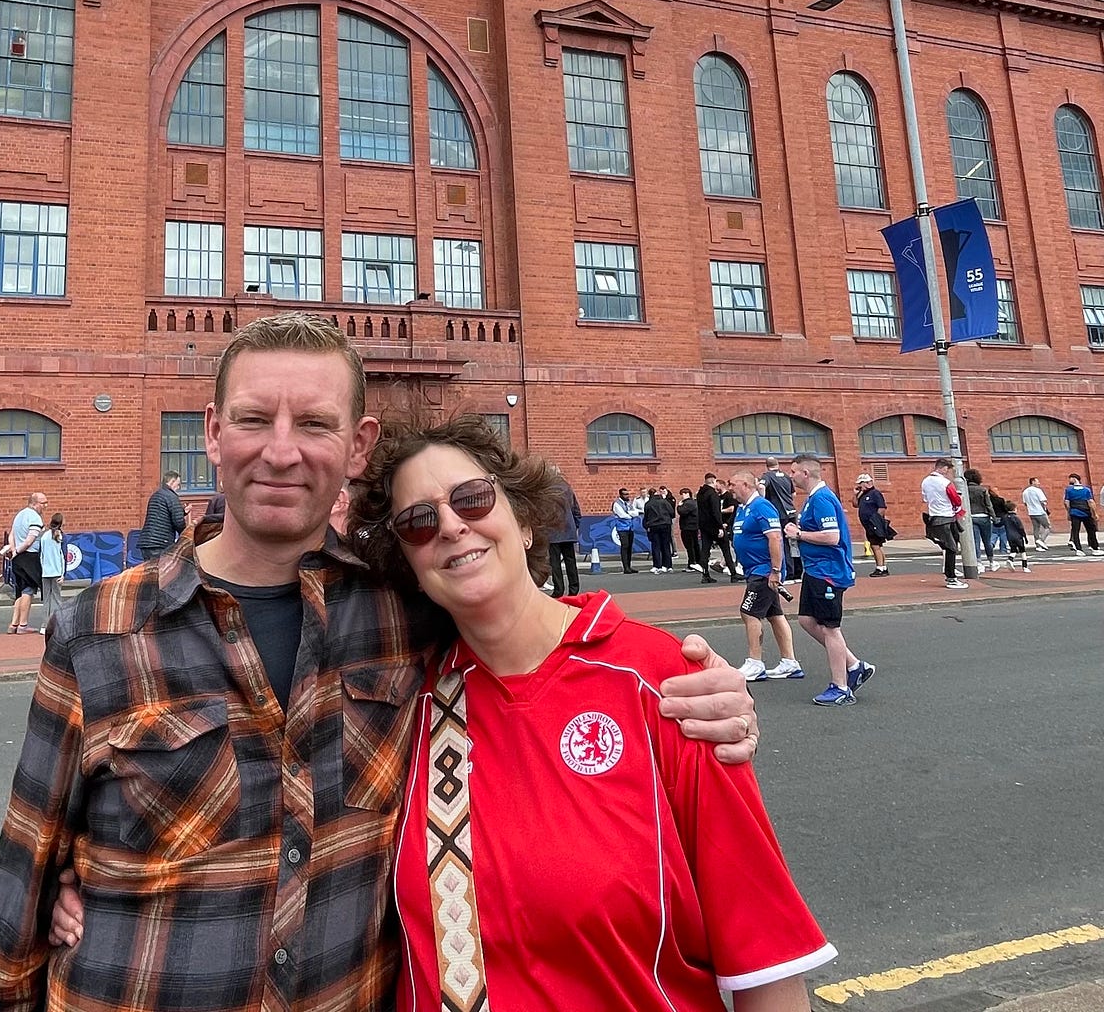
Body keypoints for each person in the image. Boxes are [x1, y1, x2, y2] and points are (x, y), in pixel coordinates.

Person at [0, 313, 759, 1012]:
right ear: (212, 432)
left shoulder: (403, 614)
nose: (281, 451)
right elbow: (23, 880)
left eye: (314, 423)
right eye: (253, 419)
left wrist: (695, 687)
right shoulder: (96, 629)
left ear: (357, 445)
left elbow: (532, 648)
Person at [346, 415, 834, 1011]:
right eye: (418, 522)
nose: (449, 525)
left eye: (472, 500)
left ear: (524, 521)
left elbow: (767, 962)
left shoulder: (665, 681)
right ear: (410, 566)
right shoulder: (402, 705)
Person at [784, 461, 872, 707]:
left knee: (830, 628)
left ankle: (841, 687)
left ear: (805, 472)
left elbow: (832, 537)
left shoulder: (822, 498)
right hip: (815, 571)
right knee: (806, 620)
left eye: (793, 471)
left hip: (828, 573)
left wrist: (798, 534)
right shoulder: (813, 498)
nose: (790, 476)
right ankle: (855, 666)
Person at [729, 471, 803, 682]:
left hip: (764, 571)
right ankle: (789, 662)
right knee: (774, 615)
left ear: (745, 484)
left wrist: (776, 570)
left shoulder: (762, 506)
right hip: (753, 569)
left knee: (749, 612)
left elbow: (774, 538)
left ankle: (755, 663)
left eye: (733, 484)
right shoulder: (743, 509)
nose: (730, 488)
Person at [4, 491, 48, 634]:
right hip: (29, 557)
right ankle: (23, 624)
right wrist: (19, 550)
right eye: (43, 503)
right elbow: (30, 541)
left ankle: (13, 624)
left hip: (18, 558)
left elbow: (12, 534)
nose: (46, 506)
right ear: (34, 503)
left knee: (20, 591)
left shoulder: (20, 515)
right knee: (28, 591)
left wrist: (13, 549)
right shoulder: (35, 518)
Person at [921, 457, 968, 589]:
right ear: (942, 468)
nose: (947, 472)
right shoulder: (945, 483)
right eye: (947, 469)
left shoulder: (925, 482)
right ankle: (951, 578)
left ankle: (951, 573)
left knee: (948, 547)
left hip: (934, 517)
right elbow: (956, 500)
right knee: (952, 548)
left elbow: (925, 499)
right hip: (947, 517)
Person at [760, 461, 802, 584]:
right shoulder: (786, 476)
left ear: (767, 466)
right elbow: (793, 493)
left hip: (779, 513)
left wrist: (763, 501)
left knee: (782, 542)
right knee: (794, 541)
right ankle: (798, 572)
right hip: (791, 511)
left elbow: (761, 486)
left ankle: (789, 573)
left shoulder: (767, 476)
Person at [697, 471, 740, 582]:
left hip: (704, 526)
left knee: (705, 550)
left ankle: (705, 575)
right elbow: (716, 512)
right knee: (726, 549)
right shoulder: (713, 494)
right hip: (715, 526)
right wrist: (720, 527)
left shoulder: (700, 494)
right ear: (713, 481)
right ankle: (733, 574)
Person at [547, 467, 582, 596]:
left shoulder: (546, 489)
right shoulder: (567, 488)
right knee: (570, 561)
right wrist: (575, 525)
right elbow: (576, 509)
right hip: (568, 530)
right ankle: (574, 588)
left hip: (552, 532)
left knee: (555, 563)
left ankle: (558, 589)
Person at [138, 468, 186, 561]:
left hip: (146, 542)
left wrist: (183, 512)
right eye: (178, 484)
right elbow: (178, 522)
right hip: (160, 543)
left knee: (150, 573)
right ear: (172, 481)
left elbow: (161, 515)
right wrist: (186, 535)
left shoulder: (156, 495)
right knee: (161, 573)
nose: (179, 487)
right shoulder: (172, 496)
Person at [853, 474, 892, 576]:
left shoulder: (875, 493)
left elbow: (882, 507)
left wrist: (876, 521)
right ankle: (883, 567)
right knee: (877, 546)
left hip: (873, 524)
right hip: (868, 525)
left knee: (875, 546)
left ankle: (879, 568)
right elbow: (855, 504)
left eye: (861, 484)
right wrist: (856, 494)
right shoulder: (863, 495)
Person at [963, 467, 1000, 573]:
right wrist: (993, 517)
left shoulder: (964, 490)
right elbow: (988, 505)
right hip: (984, 517)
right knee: (987, 541)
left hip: (971, 517)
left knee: (975, 541)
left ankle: (978, 563)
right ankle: (991, 562)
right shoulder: (982, 490)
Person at [37, 512, 67, 633]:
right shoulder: (60, 536)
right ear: (61, 523)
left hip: (45, 572)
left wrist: (42, 570)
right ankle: (58, 624)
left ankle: (44, 625)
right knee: (57, 598)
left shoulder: (44, 536)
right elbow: (63, 556)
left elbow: (41, 555)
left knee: (47, 600)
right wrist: (63, 574)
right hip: (56, 572)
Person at [1064, 473, 1104, 556]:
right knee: (1091, 530)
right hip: (1086, 511)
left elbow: (1066, 502)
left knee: (1075, 531)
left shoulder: (1069, 490)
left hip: (1074, 511)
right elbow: (1091, 502)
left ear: (1074, 479)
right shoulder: (1086, 489)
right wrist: (1094, 513)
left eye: (1070, 478)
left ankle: (1079, 549)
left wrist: (1069, 512)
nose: (1069, 480)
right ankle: (1094, 547)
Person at [644, 483, 676, 572]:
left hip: (653, 526)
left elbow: (646, 517)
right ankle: (668, 565)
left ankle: (657, 565)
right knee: (666, 545)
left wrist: (647, 526)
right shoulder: (664, 502)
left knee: (656, 546)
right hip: (665, 525)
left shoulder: (648, 504)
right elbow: (672, 513)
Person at [611, 486, 642, 573]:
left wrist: (630, 513)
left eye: (627, 494)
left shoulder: (628, 503)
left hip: (630, 527)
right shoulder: (617, 504)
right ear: (620, 495)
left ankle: (629, 566)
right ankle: (625, 567)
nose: (627, 496)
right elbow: (622, 515)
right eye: (625, 494)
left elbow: (635, 512)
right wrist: (630, 514)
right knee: (625, 546)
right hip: (622, 528)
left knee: (629, 547)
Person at [1021, 476, 1050, 552]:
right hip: (1040, 511)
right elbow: (1042, 501)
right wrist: (1045, 510)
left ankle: (1038, 546)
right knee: (1047, 527)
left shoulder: (1025, 491)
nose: (1038, 483)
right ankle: (1041, 540)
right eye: (1037, 481)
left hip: (1031, 512)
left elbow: (1025, 503)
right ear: (1033, 482)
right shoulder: (1038, 490)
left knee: (1036, 528)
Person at [677, 487, 701, 570]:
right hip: (693, 526)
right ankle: (698, 562)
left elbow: (682, 512)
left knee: (689, 546)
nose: (682, 496)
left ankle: (692, 563)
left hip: (688, 527)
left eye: (683, 494)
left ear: (687, 494)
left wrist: (679, 506)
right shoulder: (694, 502)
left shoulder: (688, 503)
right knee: (695, 545)